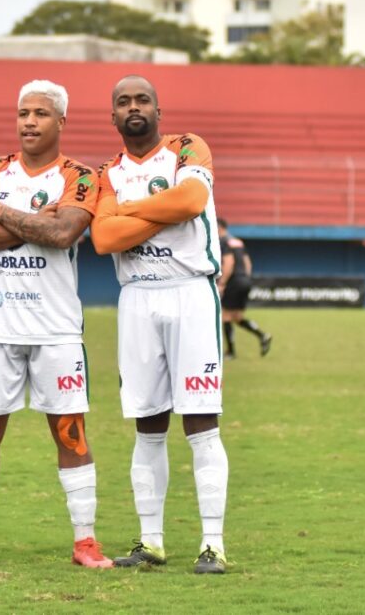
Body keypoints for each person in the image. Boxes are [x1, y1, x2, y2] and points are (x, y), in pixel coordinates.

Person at [0, 80, 112, 569]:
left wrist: (5, 212)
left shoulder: (80, 175)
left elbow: (63, 232)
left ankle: (85, 542)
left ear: (61, 122)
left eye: (40, 114)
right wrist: (37, 221)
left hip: (56, 330)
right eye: (23, 113)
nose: (29, 122)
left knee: (71, 433)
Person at [91, 75, 229, 574]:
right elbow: (105, 238)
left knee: (201, 421)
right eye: (123, 101)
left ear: (158, 109)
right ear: (112, 116)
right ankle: (151, 541)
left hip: (190, 293)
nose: (134, 107)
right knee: (147, 424)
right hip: (138, 300)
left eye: (142, 99)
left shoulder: (188, 148)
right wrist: (160, 212)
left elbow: (191, 202)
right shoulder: (106, 171)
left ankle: (212, 543)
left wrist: (131, 213)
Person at [217, 218, 272, 358]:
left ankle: (230, 352)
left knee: (225, 316)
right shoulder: (238, 242)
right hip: (245, 281)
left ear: (219, 227)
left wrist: (222, 282)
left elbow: (229, 263)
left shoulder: (223, 242)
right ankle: (262, 335)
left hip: (233, 281)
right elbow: (248, 263)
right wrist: (245, 278)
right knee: (237, 316)